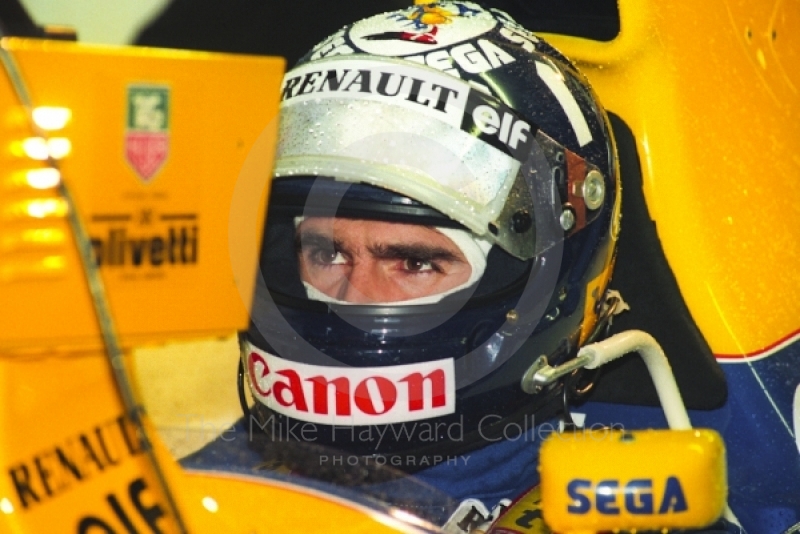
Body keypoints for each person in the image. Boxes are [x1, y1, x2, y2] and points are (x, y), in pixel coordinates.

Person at [183, 3, 742, 532]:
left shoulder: (643, 500)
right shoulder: (174, 499)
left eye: (415, 261)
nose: (353, 302)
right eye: (327, 253)